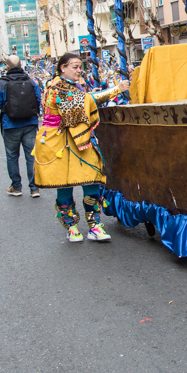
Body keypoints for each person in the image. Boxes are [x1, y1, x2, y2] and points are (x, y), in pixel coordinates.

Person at [34, 53, 129, 242]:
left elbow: (83, 99)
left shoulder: (71, 86)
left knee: (92, 179)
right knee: (64, 185)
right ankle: (71, 227)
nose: (79, 71)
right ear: (63, 68)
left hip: (79, 140)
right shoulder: (57, 86)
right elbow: (84, 102)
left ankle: (94, 226)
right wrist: (116, 90)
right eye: (75, 67)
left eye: (80, 67)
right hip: (59, 143)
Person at [0, 55, 42, 198]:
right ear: (20, 64)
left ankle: (16, 186)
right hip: (30, 123)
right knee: (31, 156)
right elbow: (39, 100)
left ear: (7, 66)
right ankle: (34, 188)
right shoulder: (31, 81)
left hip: (10, 124)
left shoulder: (1, 83)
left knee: (12, 156)